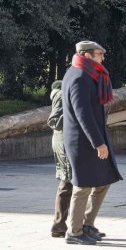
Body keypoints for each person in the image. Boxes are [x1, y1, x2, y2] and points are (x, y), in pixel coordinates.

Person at [62, 41, 123, 245]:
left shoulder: (86, 74)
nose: (102, 58)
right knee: (83, 186)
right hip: (82, 141)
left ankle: (87, 225)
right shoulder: (78, 77)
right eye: (99, 54)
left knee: (103, 180)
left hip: (93, 137)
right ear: (87, 55)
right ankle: (75, 231)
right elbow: (83, 115)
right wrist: (98, 143)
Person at [47, 80, 73, 238]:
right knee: (67, 181)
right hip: (64, 142)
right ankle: (59, 224)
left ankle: (61, 225)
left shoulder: (61, 94)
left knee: (68, 182)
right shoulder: (62, 95)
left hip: (64, 141)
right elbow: (54, 121)